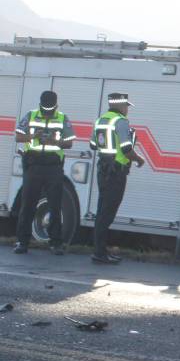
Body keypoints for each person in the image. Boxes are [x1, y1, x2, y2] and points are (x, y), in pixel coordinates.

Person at [12, 90, 76, 255]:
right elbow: (18, 137)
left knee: (55, 205)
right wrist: (33, 136)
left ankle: (56, 243)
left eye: (50, 109)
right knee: (28, 204)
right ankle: (22, 242)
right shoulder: (31, 115)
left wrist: (55, 141)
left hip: (53, 167)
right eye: (45, 108)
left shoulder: (62, 118)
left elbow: (69, 143)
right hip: (33, 165)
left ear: (56, 105)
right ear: (40, 104)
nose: (48, 112)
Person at [89, 92, 145, 264]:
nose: (127, 109)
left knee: (102, 211)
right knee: (107, 213)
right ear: (119, 105)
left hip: (103, 169)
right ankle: (100, 253)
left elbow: (93, 145)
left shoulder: (100, 120)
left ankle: (100, 250)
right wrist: (139, 159)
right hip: (116, 172)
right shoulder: (120, 122)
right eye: (126, 106)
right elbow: (127, 149)